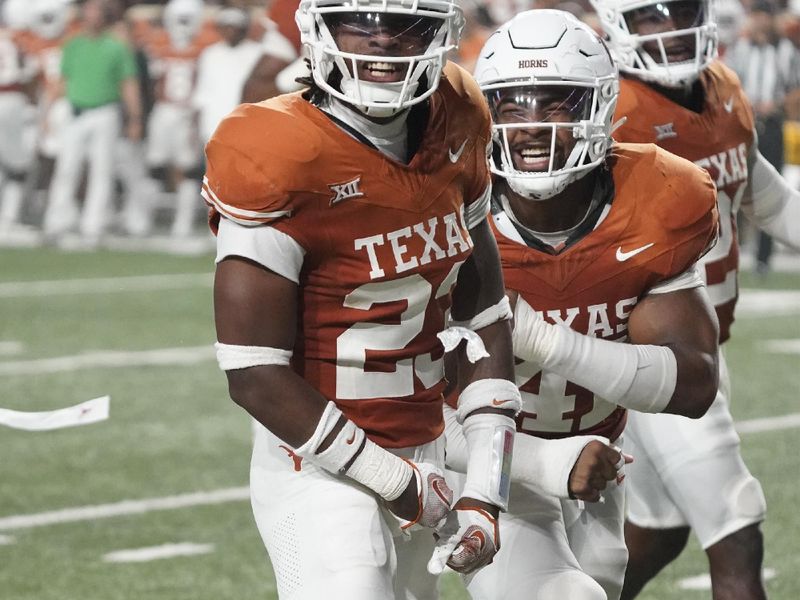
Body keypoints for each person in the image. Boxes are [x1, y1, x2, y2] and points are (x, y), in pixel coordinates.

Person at [204, 0, 522, 598]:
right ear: (318, 28)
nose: (381, 40)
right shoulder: (273, 149)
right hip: (315, 461)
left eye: (406, 24)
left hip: (426, 447)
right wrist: (394, 481)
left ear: (440, 31)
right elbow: (251, 372)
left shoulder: (458, 113)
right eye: (359, 21)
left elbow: (485, 319)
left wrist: (487, 489)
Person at [443, 10, 720, 600]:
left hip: (598, 462)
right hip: (479, 466)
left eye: (558, 104)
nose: (532, 127)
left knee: (598, 579)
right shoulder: (446, 207)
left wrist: (541, 339)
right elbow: (396, 412)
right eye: (512, 106)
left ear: (600, 107)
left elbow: (695, 385)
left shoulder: (659, 196)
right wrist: (545, 462)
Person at [589, 0, 800, 596]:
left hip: (701, 346)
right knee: (735, 522)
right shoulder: (605, 109)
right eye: (651, 16)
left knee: (661, 530)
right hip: (647, 350)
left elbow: (762, 194)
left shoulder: (722, 88)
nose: (672, 29)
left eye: (680, 9)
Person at [41, 0, 142, 245]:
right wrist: (46, 113)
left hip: (105, 111)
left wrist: (135, 118)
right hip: (76, 111)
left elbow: (128, 83)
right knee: (67, 168)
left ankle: (93, 225)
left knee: (102, 170)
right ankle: (57, 221)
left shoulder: (116, 47)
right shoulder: (73, 45)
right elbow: (61, 81)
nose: (92, 17)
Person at [143, 0, 212, 237]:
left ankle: (181, 223)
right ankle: (144, 220)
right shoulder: (159, 42)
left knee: (188, 167)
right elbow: (153, 81)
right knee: (155, 164)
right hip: (164, 109)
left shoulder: (205, 45)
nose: (183, 26)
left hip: (188, 111)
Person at [192, 6, 263, 144]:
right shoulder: (210, 54)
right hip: (214, 122)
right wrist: (196, 122)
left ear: (243, 29)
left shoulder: (258, 53)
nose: (230, 31)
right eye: (226, 27)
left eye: (234, 27)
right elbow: (202, 90)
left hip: (247, 122)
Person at [0, 0, 37, 234]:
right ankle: (10, 217)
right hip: (11, 100)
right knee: (17, 165)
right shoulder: (19, 39)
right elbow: (31, 74)